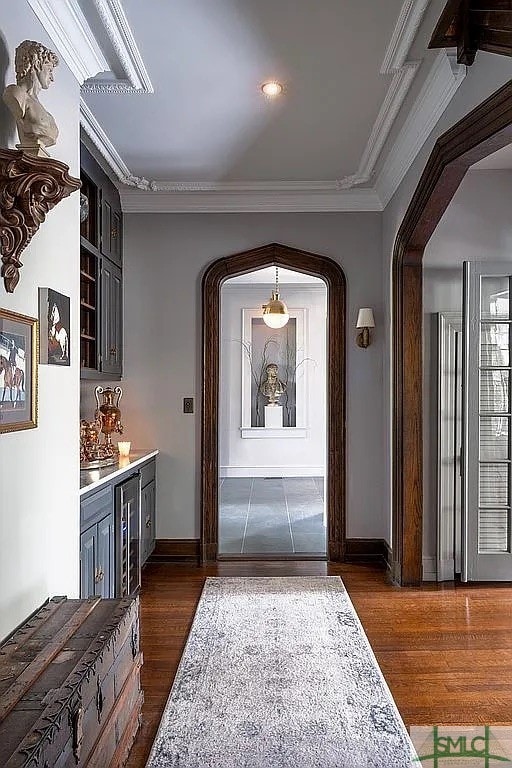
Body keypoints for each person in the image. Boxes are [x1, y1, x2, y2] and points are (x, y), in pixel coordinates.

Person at [3, 39, 59, 156]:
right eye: (49, 70)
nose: (52, 78)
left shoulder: (39, 106)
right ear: (38, 65)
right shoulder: (15, 93)